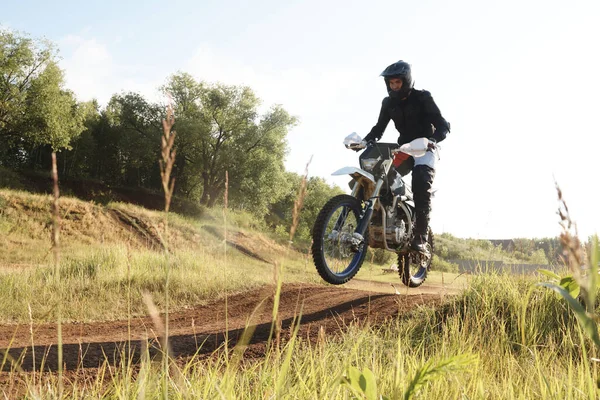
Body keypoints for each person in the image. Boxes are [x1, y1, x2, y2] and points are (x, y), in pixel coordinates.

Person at [362, 60, 450, 254]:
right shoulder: (388, 103)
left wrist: (432, 140)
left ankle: (420, 237)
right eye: (391, 83)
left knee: (420, 184)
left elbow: (444, 125)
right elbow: (378, 129)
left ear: (406, 81)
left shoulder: (423, 98)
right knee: (381, 177)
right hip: (403, 149)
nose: (394, 87)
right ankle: (385, 219)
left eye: (397, 83)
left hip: (424, 149)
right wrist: (364, 141)